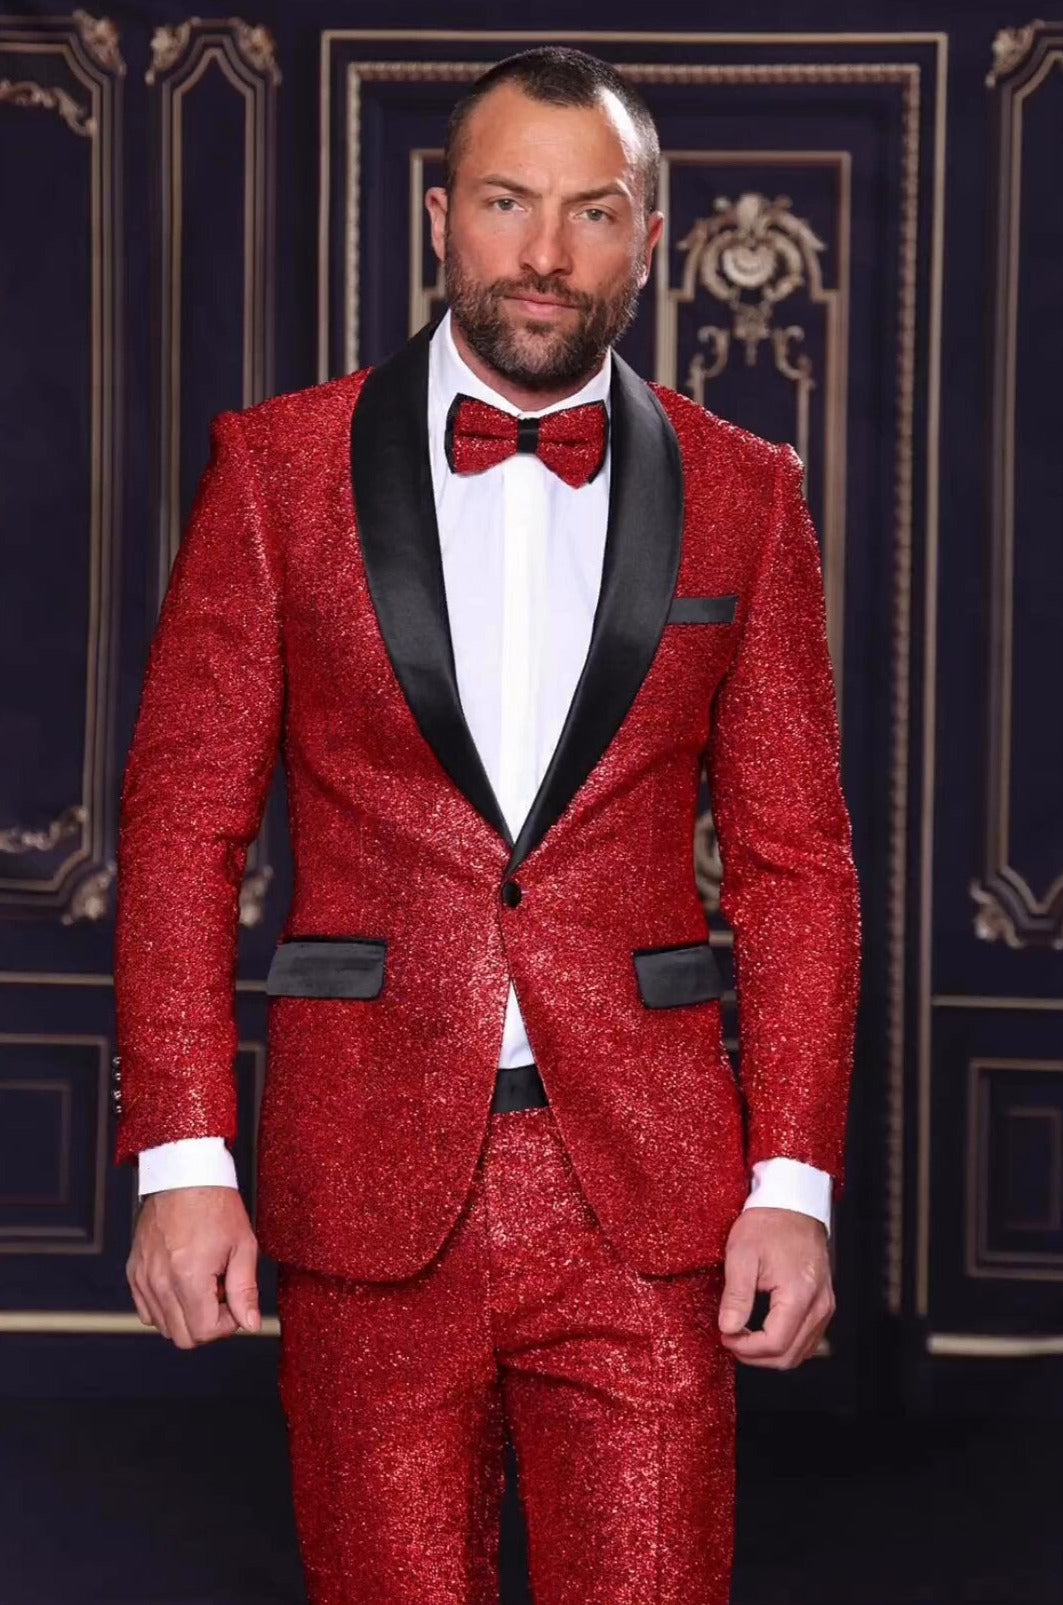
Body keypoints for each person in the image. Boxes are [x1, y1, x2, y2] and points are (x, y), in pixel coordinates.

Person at [113, 46, 860, 1605]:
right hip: (365, 1180)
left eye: (594, 212)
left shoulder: (745, 493)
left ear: (650, 239)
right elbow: (184, 826)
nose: (546, 252)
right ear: (441, 216)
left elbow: (796, 866)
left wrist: (792, 1185)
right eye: (510, 203)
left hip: (652, 1199)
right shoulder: (278, 468)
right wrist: (182, 1151)